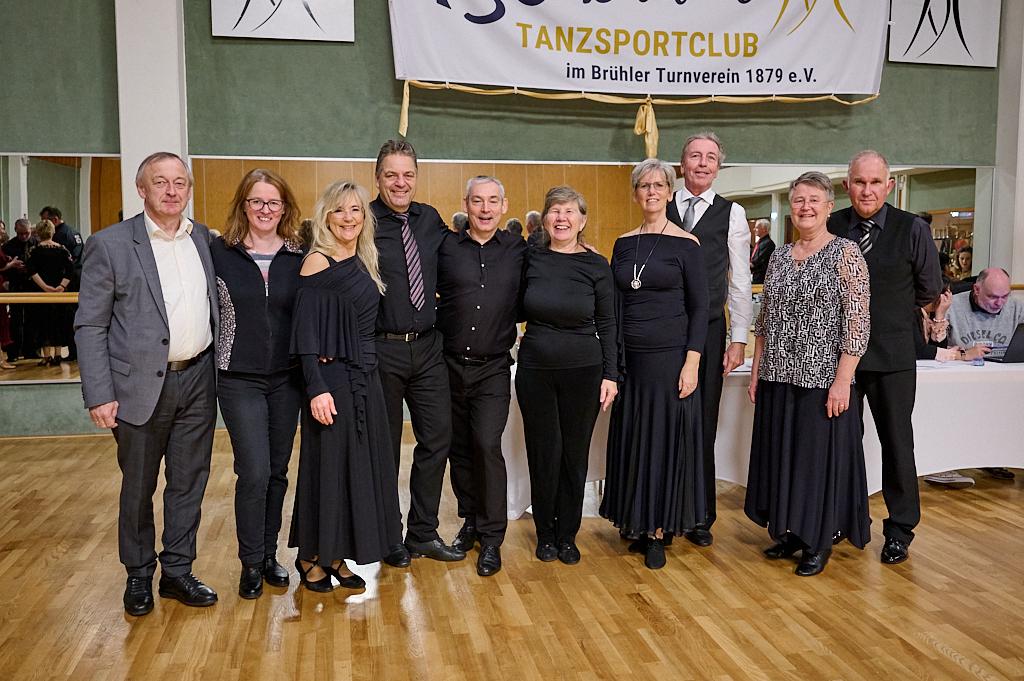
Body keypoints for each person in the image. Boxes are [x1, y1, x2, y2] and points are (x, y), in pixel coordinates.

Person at [75, 151, 219, 616]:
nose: (172, 191)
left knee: (188, 483)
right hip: (138, 389)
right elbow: (90, 325)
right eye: (161, 182)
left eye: (180, 182)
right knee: (138, 486)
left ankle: (178, 571)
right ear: (142, 189)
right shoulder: (111, 244)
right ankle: (138, 574)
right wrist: (99, 393)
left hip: (198, 378)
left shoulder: (205, 241)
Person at [746, 171, 872, 577]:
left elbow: (857, 322)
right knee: (785, 456)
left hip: (822, 379)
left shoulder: (846, 253)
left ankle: (818, 540)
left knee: (815, 463)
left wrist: (843, 379)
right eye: (799, 200)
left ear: (829, 207)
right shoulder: (780, 255)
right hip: (778, 374)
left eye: (814, 200)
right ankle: (791, 533)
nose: (805, 207)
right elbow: (764, 319)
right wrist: (757, 371)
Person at [827, 150, 942, 565]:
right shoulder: (833, 225)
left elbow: (929, 289)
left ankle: (899, 530)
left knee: (897, 443)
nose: (867, 190)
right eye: (860, 182)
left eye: (876, 182)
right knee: (841, 443)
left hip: (893, 356)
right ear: (847, 186)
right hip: (840, 359)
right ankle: (845, 519)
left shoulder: (913, 228)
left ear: (889, 186)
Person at [289, 180, 402, 592]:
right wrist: (316, 387)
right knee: (327, 468)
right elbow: (304, 336)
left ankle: (336, 556)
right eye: (339, 210)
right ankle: (309, 556)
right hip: (331, 382)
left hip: (365, 378)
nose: (348, 218)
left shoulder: (366, 260)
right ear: (326, 217)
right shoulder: (317, 262)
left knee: (355, 468)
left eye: (355, 210)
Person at [600, 159, 708, 570]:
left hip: (670, 359)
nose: (651, 192)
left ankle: (660, 529)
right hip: (632, 359)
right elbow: (615, 301)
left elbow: (701, 309)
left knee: (664, 442)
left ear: (669, 190)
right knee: (635, 439)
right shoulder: (624, 244)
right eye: (644, 186)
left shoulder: (687, 244)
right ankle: (637, 521)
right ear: (635, 193)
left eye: (659, 185)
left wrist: (692, 361)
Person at [210, 168, 305, 599]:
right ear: (243, 206)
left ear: (284, 208)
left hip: (287, 379)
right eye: (256, 201)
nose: (265, 210)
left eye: (273, 202)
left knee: (279, 471)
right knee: (254, 471)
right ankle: (250, 561)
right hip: (238, 378)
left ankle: (269, 555)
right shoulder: (219, 253)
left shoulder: (299, 255)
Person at [370, 140, 464, 565]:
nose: (400, 182)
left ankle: (422, 532)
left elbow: (461, 258)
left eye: (407, 174)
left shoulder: (429, 220)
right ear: (378, 178)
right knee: (384, 448)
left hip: (427, 349)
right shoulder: (363, 220)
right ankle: (389, 537)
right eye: (391, 174)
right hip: (381, 350)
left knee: (438, 438)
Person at [517, 185, 617, 565]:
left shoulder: (596, 266)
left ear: (582, 220)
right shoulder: (531, 260)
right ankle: (545, 533)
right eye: (555, 210)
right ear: (545, 219)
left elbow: (608, 323)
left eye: (570, 211)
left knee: (574, 455)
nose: (562, 217)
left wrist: (612, 374)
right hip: (535, 371)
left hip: (584, 372)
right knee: (544, 453)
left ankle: (568, 534)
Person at [665, 131, 753, 547]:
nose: (702, 163)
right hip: (663, 331)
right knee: (665, 421)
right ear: (682, 164)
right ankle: (661, 512)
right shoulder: (661, 204)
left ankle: (699, 514)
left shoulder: (732, 213)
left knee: (701, 423)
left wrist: (738, 339)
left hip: (711, 331)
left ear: (719, 167)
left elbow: (740, 280)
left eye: (711, 157)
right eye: (695, 156)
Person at [437, 176, 527, 577]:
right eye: (478, 201)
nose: (485, 209)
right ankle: (469, 521)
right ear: (466, 205)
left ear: (504, 205)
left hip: (493, 366)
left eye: (493, 201)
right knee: (459, 448)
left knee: (486, 445)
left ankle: (492, 538)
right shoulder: (446, 248)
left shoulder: (520, 251)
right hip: (448, 363)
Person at [26, 219, 73, 365]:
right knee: (58, 321)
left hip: (41, 292)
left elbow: (32, 271)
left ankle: (47, 356)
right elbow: (70, 270)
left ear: (38, 233)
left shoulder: (34, 251)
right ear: (53, 232)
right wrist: (62, 286)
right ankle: (58, 354)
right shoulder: (62, 249)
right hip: (59, 293)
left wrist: (45, 287)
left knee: (43, 322)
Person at [2, 219, 39, 360]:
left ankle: (31, 349)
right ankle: (15, 351)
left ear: (31, 231)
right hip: (16, 284)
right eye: (20, 234)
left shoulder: (36, 244)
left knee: (32, 318)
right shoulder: (9, 246)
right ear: (15, 231)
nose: (23, 236)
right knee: (15, 319)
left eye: (26, 233)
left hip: (32, 285)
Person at [749, 218, 775, 285]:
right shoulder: (760, 242)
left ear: (764, 229)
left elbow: (757, 262)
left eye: (757, 228)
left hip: (761, 279)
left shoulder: (768, 243)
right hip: (755, 276)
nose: (754, 229)